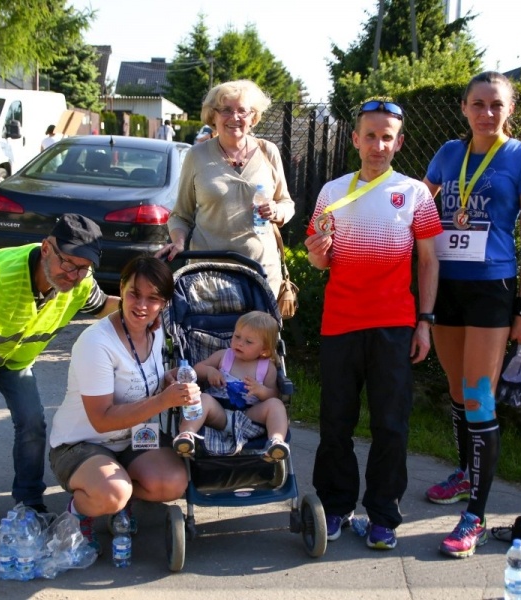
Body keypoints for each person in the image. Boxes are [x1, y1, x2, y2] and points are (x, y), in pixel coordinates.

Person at [0, 214, 119, 542]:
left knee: (32, 422)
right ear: (46, 249)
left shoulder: (81, 282)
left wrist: (145, 302)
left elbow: (102, 306)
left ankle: (29, 501)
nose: (73, 275)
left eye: (83, 268)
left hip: (12, 358)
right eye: (68, 263)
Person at [304, 99, 442, 551]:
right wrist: (318, 252)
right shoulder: (331, 192)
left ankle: (383, 515)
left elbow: (428, 261)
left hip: (394, 324)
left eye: (387, 137)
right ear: (355, 140)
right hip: (340, 323)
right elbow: (320, 260)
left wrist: (425, 322)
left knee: (391, 425)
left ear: (399, 143)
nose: (378, 145)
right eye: (370, 136)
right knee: (335, 423)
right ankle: (335, 507)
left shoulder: (415, 194)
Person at [422, 71, 521, 558]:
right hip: (447, 285)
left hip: (491, 289)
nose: (486, 113)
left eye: (496, 104)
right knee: (458, 391)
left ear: (509, 109)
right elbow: (416, 209)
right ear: (464, 107)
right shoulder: (448, 154)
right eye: (478, 103)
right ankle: (464, 473)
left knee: (478, 397)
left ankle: (475, 515)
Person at [48, 255, 193, 551]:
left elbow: (140, 379)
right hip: (82, 442)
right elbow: (101, 419)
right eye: (134, 294)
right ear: (121, 289)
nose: (142, 306)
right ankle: (81, 511)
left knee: (173, 483)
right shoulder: (96, 343)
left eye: (153, 298)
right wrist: (163, 401)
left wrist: (167, 380)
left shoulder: (155, 330)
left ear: (164, 304)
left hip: (134, 436)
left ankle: (121, 497)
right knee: (113, 492)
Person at [156, 79, 295, 297]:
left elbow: (287, 203)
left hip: (261, 273)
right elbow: (180, 215)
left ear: (253, 116)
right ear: (213, 115)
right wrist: (179, 242)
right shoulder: (197, 155)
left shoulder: (268, 151)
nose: (235, 117)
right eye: (226, 110)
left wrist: (276, 211)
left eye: (242, 111)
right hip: (208, 276)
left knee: (258, 322)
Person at [171, 311, 290, 462]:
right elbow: (197, 369)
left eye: (248, 342)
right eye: (237, 336)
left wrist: (261, 391)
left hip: (250, 416)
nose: (239, 343)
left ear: (264, 350)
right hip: (219, 413)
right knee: (203, 398)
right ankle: (186, 435)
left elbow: (273, 394)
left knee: (276, 405)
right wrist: (209, 371)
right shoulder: (224, 356)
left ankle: (276, 441)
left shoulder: (267, 367)